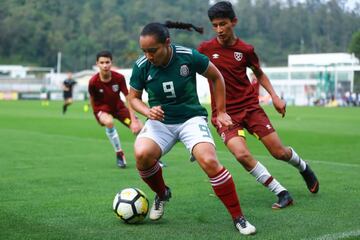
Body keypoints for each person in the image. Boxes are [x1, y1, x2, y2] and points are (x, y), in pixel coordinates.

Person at [128, 21, 256, 235]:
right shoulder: (142, 65)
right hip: (160, 122)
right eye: (144, 51)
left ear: (167, 43)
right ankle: (162, 193)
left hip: (191, 119)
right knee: (141, 154)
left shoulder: (188, 56)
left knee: (209, 161)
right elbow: (132, 98)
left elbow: (216, 77)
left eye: (153, 50)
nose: (148, 56)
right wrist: (147, 111)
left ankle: (239, 218)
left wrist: (222, 111)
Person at [198, 1, 319, 209]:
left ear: (233, 22)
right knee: (242, 155)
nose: (219, 30)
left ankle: (304, 167)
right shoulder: (205, 49)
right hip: (224, 115)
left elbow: (259, 74)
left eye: (223, 24)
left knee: (279, 152)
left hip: (250, 108)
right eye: (215, 25)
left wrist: (275, 97)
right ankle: (282, 193)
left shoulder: (245, 50)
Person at [88, 50, 144, 168]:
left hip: (118, 108)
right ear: (97, 64)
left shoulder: (119, 78)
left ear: (111, 63)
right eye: (102, 62)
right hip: (102, 109)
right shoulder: (93, 82)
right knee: (109, 122)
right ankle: (119, 153)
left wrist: (133, 121)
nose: (105, 65)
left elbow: (129, 98)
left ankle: (149, 157)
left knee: (140, 128)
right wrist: (96, 115)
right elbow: (92, 100)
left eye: (107, 62)